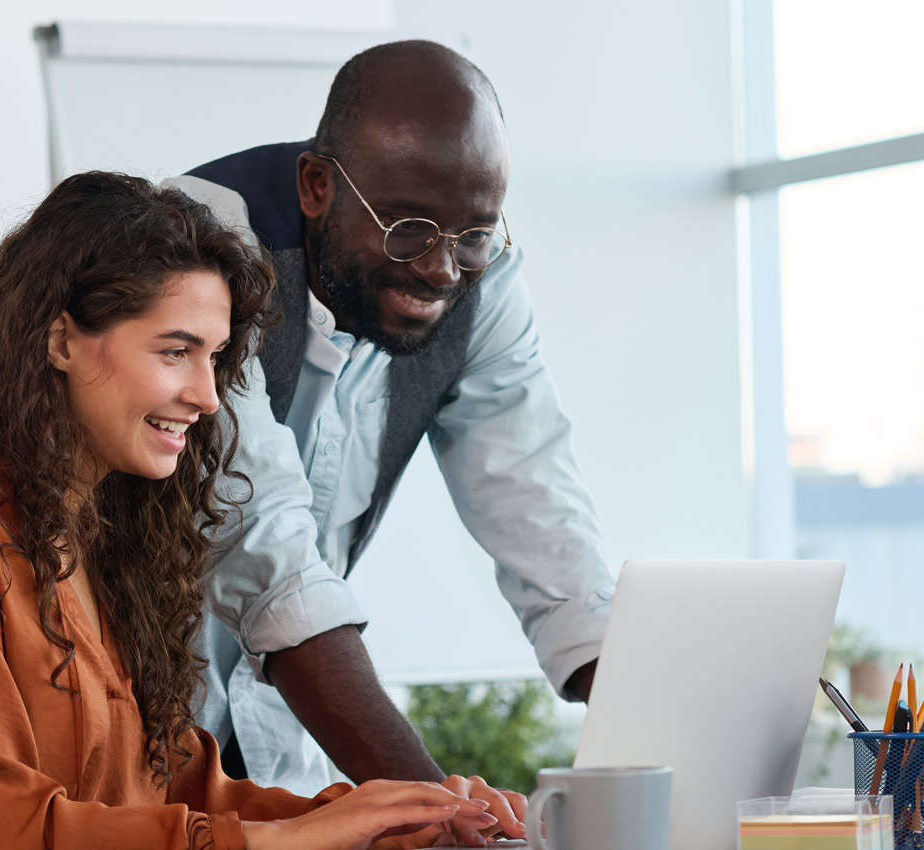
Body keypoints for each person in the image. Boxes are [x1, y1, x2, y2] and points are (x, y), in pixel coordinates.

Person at [0, 171, 524, 850]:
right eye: (175, 352)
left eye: (213, 358)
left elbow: (184, 791)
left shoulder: (99, 552)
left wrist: (389, 822)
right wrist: (275, 842)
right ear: (59, 342)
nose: (207, 397)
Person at [165, 41, 617, 793]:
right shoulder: (198, 243)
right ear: (316, 185)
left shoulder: (483, 275)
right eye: (406, 227)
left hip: (282, 751)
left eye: (472, 234)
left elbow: (541, 515)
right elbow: (261, 544)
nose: (441, 269)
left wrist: (660, 736)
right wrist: (435, 811)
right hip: (130, 732)